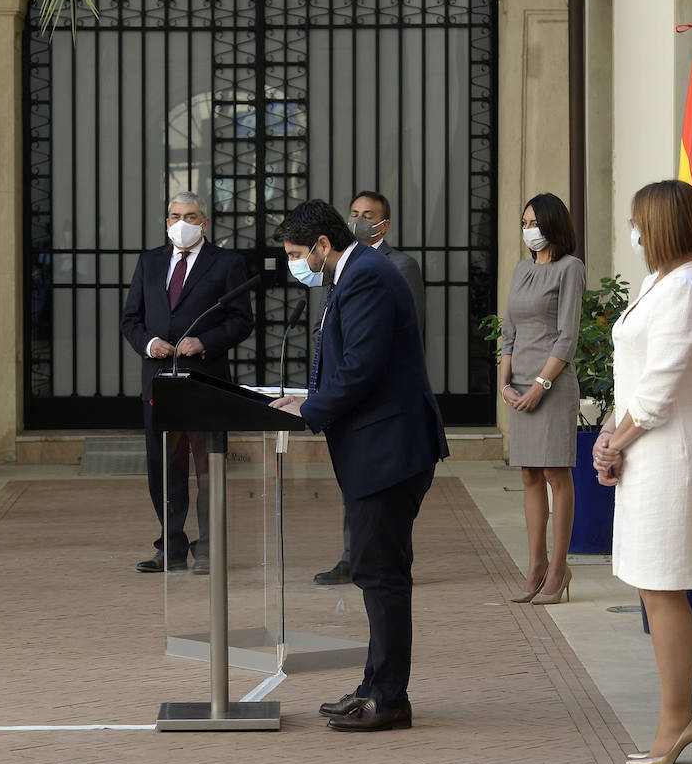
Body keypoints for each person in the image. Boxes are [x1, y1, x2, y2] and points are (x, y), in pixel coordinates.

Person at [271, 199, 448, 731]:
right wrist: (309, 397)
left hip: (390, 450)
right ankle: (374, 685)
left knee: (383, 576)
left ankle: (390, 698)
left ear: (323, 246)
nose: (295, 264)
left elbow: (362, 366)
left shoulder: (366, 276)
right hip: (378, 448)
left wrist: (312, 409)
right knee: (375, 572)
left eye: (297, 254)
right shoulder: (352, 274)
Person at [593, 180, 692, 764]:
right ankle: (678, 717)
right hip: (644, 444)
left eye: (640, 221)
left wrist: (616, 442)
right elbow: (635, 375)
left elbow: (663, 388)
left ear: (662, 225)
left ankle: (678, 721)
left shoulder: (688, 289)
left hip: (672, 452)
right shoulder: (657, 283)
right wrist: (607, 436)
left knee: (664, 585)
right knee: (651, 583)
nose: (634, 232)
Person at [120, 190, 255, 575]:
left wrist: (204, 342)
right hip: (159, 384)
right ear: (166, 222)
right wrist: (148, 343)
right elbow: (131, 318)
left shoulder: (226, 263)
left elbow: (241, 320)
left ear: (205, 222)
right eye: (176, 215)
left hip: (205, 383)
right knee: (164, 467)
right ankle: (171, 546)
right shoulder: (149, 262)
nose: (183, 222)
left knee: (207, 469)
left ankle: (210, 547)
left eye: (192, 216)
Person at [313, 190, 428, 586]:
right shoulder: (339, 266)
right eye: (354, 214)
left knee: (385, 522)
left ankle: (378, 559)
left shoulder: (397, 266)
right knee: (361, 498)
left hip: (383, 410)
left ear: (384, 223)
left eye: (369, 215)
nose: (359, 220)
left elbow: (392, 339)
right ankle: (353, 555)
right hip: (351, 409)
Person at [498, 193, 585, 605]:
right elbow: (508, 332)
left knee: (555, 474)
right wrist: (505, 384)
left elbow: (568, 335)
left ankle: (558, 569)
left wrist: (539, 387)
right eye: (523, 221)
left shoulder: (570, 269)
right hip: (519, 388)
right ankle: (535, 565)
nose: (527, 229)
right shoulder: (520, 270)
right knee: (529, 475)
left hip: (551, 386)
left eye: (533, 221)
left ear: (552, 224)